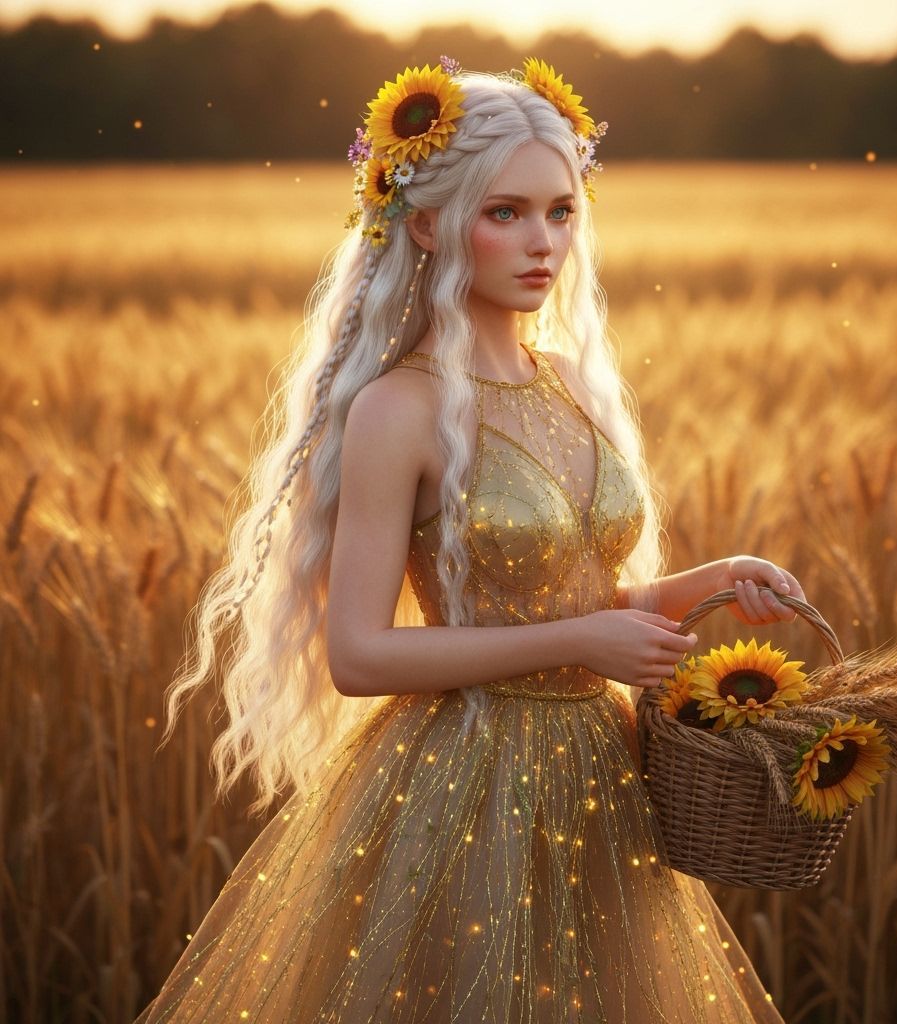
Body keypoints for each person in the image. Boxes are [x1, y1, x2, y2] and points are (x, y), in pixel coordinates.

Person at [136, 57, 806, 1023]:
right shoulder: (397, 410)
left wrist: (709, 581)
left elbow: (570, 605)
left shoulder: (570, 380)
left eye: (561, 212)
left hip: (600, 781)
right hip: (462, 782)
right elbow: (359, 656)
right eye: (507, 214)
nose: (543, 243)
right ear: (425, 224)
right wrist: (580, 644)